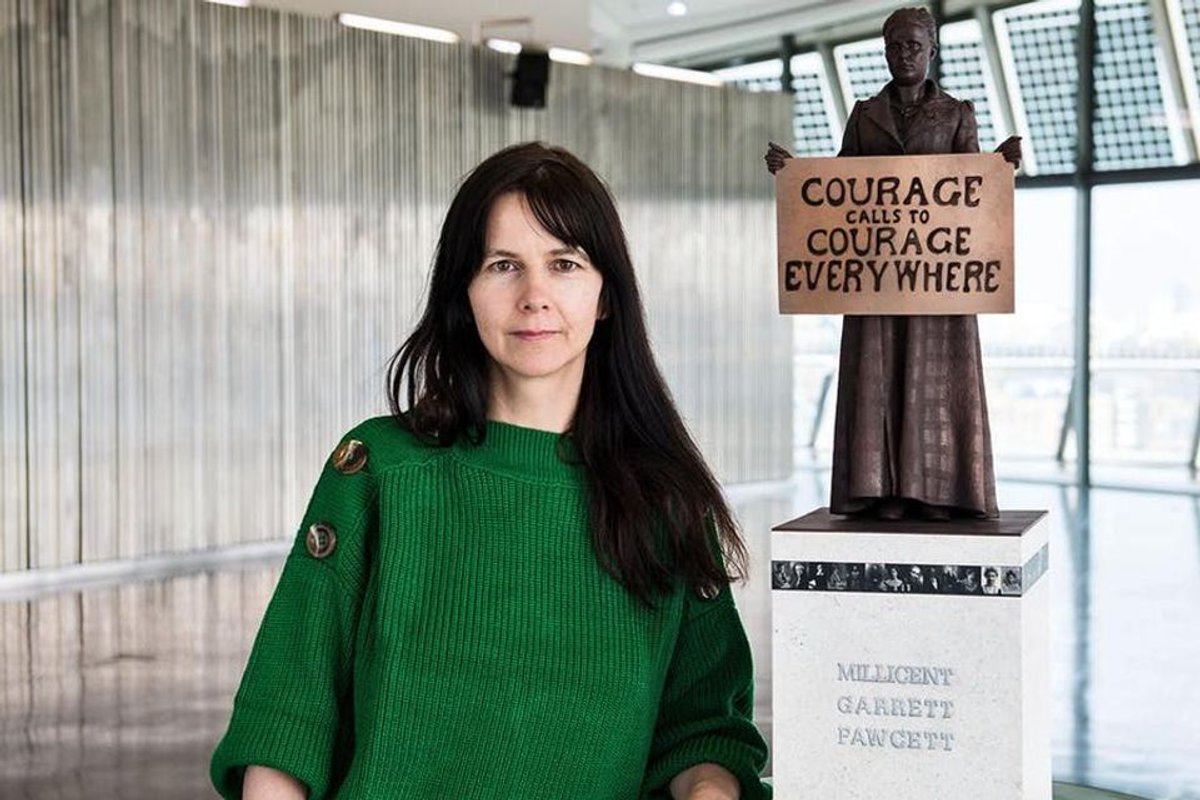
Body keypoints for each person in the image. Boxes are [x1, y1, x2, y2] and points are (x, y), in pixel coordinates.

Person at [209, 143, 770, 800]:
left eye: (564, 264)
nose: (534, 296)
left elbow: (702, 732)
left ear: (606, 295)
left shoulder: (666, 504)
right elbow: (288, 717)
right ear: (464, 292)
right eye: (503, 265)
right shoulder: (378, 473)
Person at [765, 7, 1021, 521]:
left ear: (931, 50)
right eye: (894, 46)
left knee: (934, 378)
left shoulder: (955, 114)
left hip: (936, 280)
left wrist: (1000, 164)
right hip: (876, 277)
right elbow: (839, 192)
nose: (902, 55)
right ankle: (878, 490)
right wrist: (795, 174)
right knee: (876, 378)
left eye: (912, 46)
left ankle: (938, 492)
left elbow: (969, 191)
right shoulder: (864, 114)